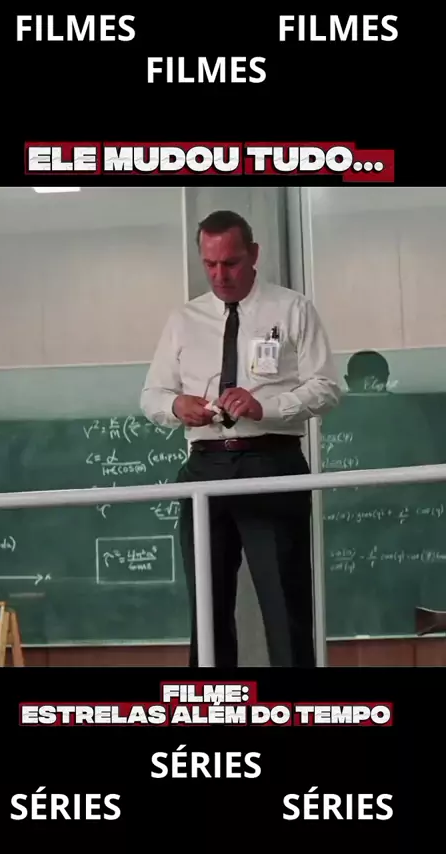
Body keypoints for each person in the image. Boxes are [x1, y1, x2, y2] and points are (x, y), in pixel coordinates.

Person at [140, 210, 341, 668]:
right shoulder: (184, 319)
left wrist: (265, 406)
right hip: (205, 468)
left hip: (271, 462)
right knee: (207, 611)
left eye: (230, 263)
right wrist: (177, 406)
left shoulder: (292, 309)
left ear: (253, 254)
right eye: (209, 264)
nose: (219, 275)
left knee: (285, 605)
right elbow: (152, 395)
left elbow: (327, 388)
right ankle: (213, 703)